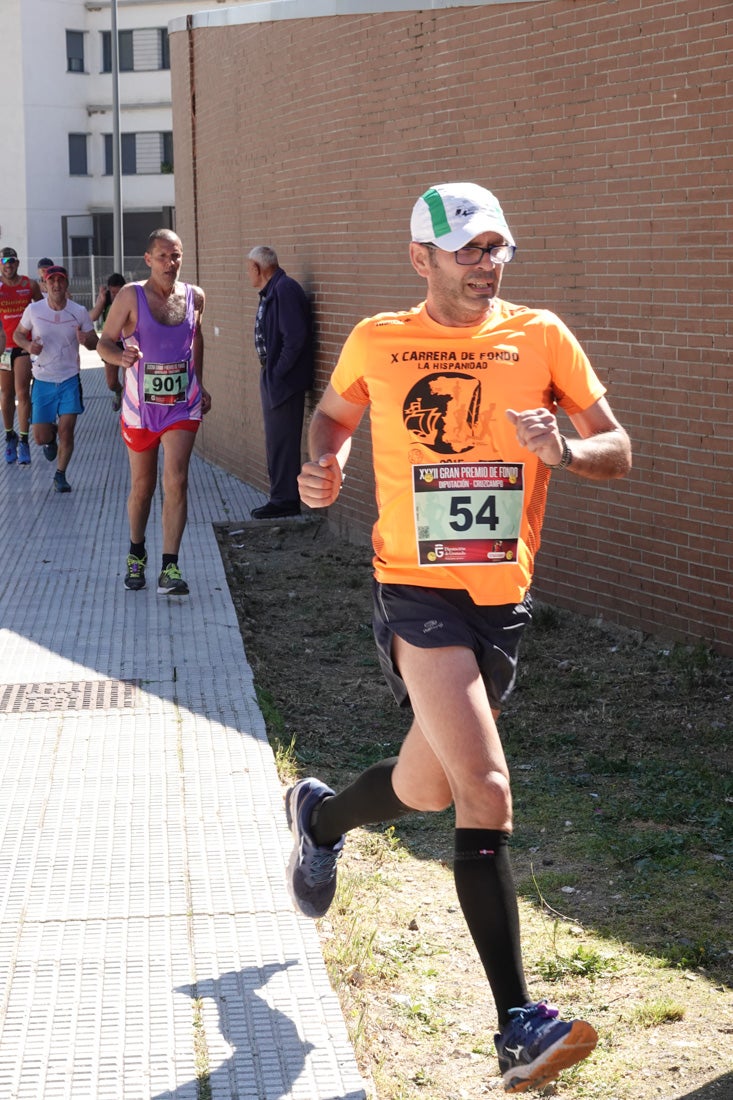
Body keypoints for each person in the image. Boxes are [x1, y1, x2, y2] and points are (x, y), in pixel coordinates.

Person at [289, 183, 632, 1094]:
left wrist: (563, 448)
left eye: (498, 249)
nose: (490, 264)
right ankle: (517, 1023)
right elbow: (331, 415)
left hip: (499, 601)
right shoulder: (378, 339)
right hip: (414, 589)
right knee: (484, 787)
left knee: (426, 783)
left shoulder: (543, 336)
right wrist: (322, 461)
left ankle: (319, 817)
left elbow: (619, 448)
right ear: (422, 257)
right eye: (470, 249)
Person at [98, 229, 211, 596]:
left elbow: (196, 337)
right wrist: (120, 357)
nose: (170, 263)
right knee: (142, 487)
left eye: (175, 256)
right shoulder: (131, 296)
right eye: (162, 256)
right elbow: (103, 342)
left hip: (182, 404)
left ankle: (170, 567)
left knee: (176, 478)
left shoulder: (194, 297)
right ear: (148, 259)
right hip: (139, 410)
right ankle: (136, 553)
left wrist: (200, 382)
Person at [13, 265, 98, 493]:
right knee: (40, 437)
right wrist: (28, 345)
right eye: (52, 281)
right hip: (42, 380)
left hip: (69, 378)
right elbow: (17, 334)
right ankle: (49, 441)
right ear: (44, 285)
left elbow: (95, 342)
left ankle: (60, 475)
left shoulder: (78, 311)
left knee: (67, 430)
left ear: (66, 283)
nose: (56, 285)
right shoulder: (34, 310)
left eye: (60, 280)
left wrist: (86, 340)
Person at [246, 245, 314, 518]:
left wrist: (277, 372)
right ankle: (280, 496)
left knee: (282, 440)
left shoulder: (284, 290)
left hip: (284, 380)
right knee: (276, 440)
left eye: (249, 269)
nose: (248, 275)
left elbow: (295, 338)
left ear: (258, 268)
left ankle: (285, 500)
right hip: (274, 376)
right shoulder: (272, 291)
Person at [0, 247, 42, 464]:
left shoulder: (29, 284)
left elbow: (41, 308)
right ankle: (10, 436)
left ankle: (24, 440)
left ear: (17, 263)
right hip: (4, 348)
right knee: (6, 394)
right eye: (4, 262)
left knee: (22, 392)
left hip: (24, 345)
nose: (8, 266)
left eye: (12, 262)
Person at [89, 273, 127, 409]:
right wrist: (101, 300)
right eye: (113, 292)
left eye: (119, 292)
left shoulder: (130, 299)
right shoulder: (106, 300)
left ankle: (127, 414)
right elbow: (92, 317)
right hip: (111, 343)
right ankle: (118, 391)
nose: (116, 296)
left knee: (129, 383)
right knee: (111, 383)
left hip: (128, 343)